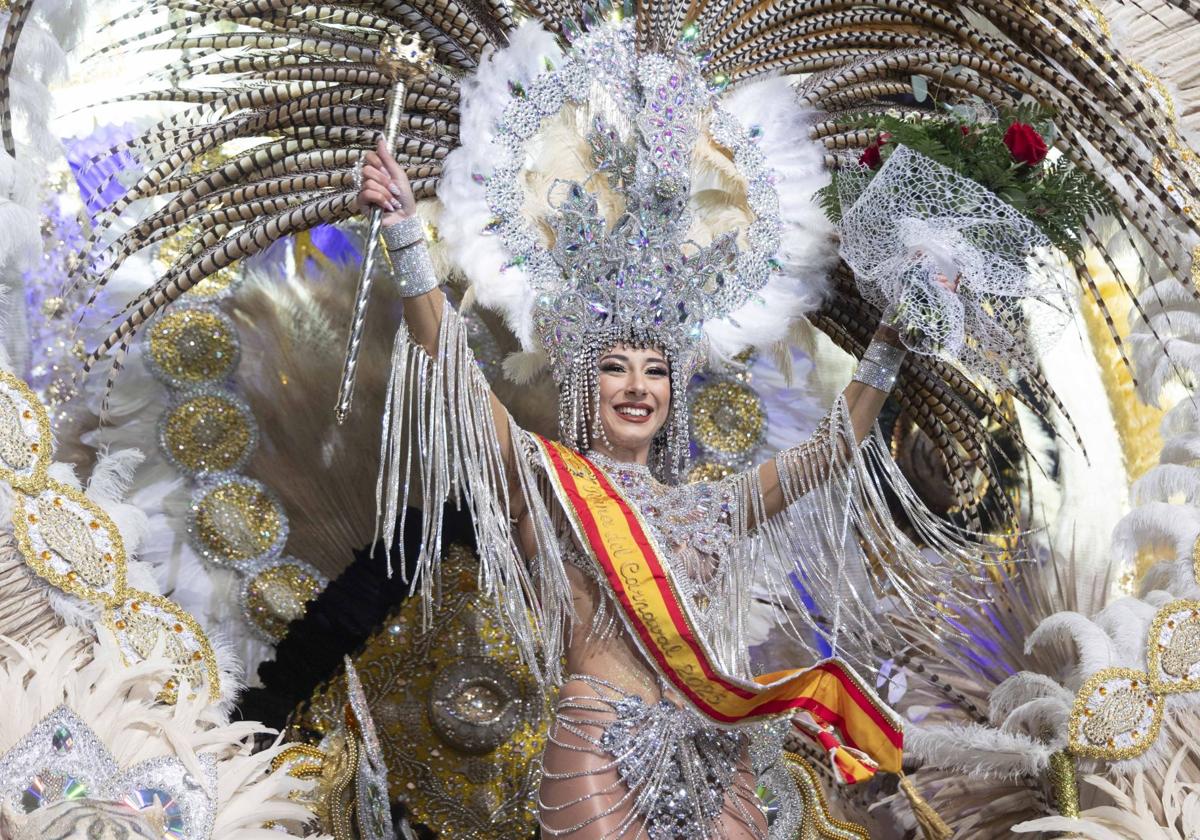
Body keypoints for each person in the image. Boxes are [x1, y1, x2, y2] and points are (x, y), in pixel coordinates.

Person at [356, 117, 964, 837]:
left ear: (675, 392)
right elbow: (455, 378)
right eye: (616, 367)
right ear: (587, 385)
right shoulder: (548, 481)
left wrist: (891, 337)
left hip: (714, 750)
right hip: (599, 746)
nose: (637, 386)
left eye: (655, 370)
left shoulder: (713, 505)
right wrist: (402, 234)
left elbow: (833, 448)